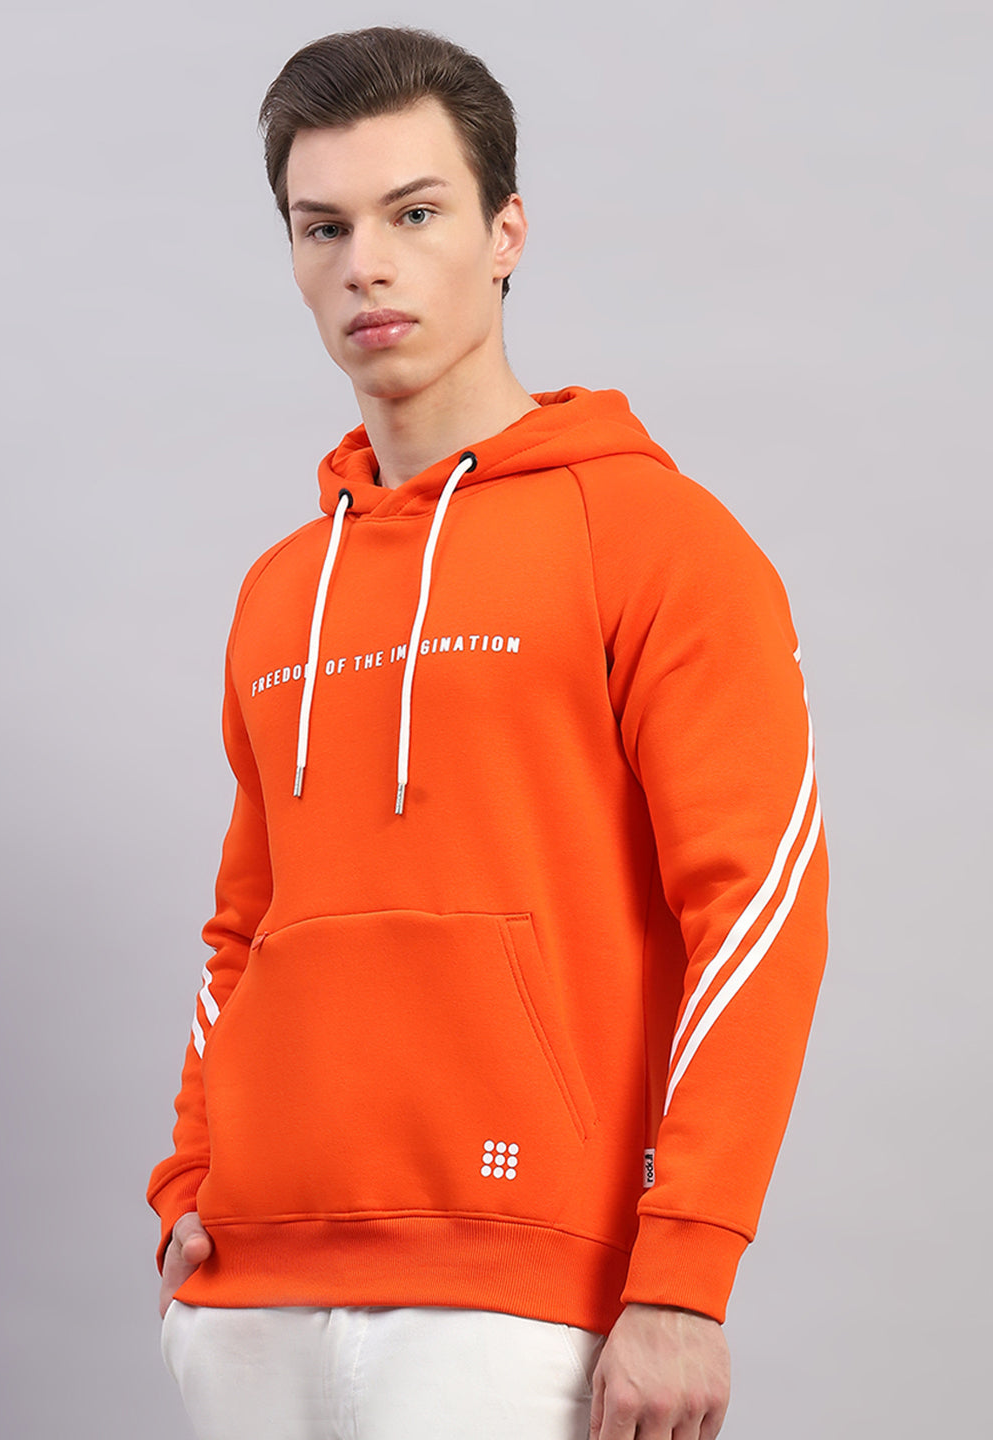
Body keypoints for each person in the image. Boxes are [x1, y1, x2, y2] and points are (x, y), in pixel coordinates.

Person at [147, 25, 828, 1440]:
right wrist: (191, 1180)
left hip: (521, 1308)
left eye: (414, 213)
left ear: (505, 231)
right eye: (324, 227)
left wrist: (686, 1279)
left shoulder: (654, 539)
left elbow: (758, 916)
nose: (367, 265)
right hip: (249, 1298)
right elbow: (245, 926)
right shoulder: (279, 590)